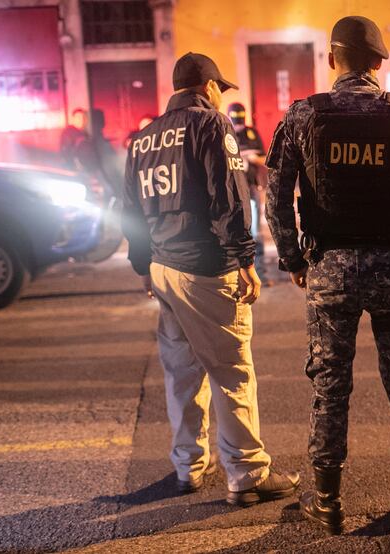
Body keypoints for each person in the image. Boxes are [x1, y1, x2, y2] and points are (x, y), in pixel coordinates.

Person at [266, 15, 390, 534]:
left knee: (329, 388)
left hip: (330, 270)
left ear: (331, 59)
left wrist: (294, 259)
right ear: (377, 62)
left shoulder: (303, 116)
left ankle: (327, 502)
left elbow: (275, 194)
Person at [121, 51, 300, 506]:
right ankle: (247, 474)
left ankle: (188, 466)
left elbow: (131, 213)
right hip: (205, 266)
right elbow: (228, 196)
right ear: (208, 87)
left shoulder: (142, 139)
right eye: (221, 88)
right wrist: (244, 260)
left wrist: (143, 265)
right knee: (231, 370)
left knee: (182, 371)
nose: (222, 96)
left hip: (163, 267)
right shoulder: (211, 125)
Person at [227, 102, 268, 282]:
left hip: (250, 187)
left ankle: (261, 273)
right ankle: (235, 275)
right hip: (231, 189)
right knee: (232, 232)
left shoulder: (251, 133)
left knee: (254, 232)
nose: (238, 121)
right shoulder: (224, 132)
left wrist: (252, 158)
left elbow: (264, 158)